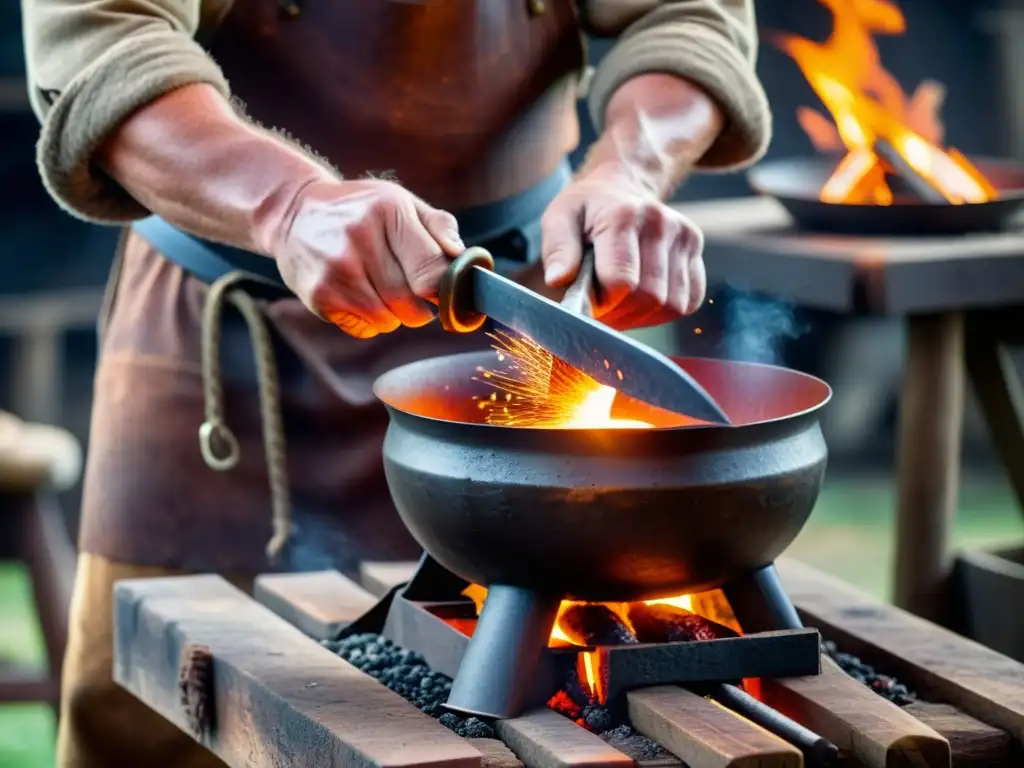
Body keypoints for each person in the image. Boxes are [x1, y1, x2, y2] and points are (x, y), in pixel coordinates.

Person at [21, 0, 770, 764]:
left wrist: (630, 173)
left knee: (500, 736)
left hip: (512, 359)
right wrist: (286, 206)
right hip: (213, 354)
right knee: (145, 720)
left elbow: (687, 16)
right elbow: (103, 45)